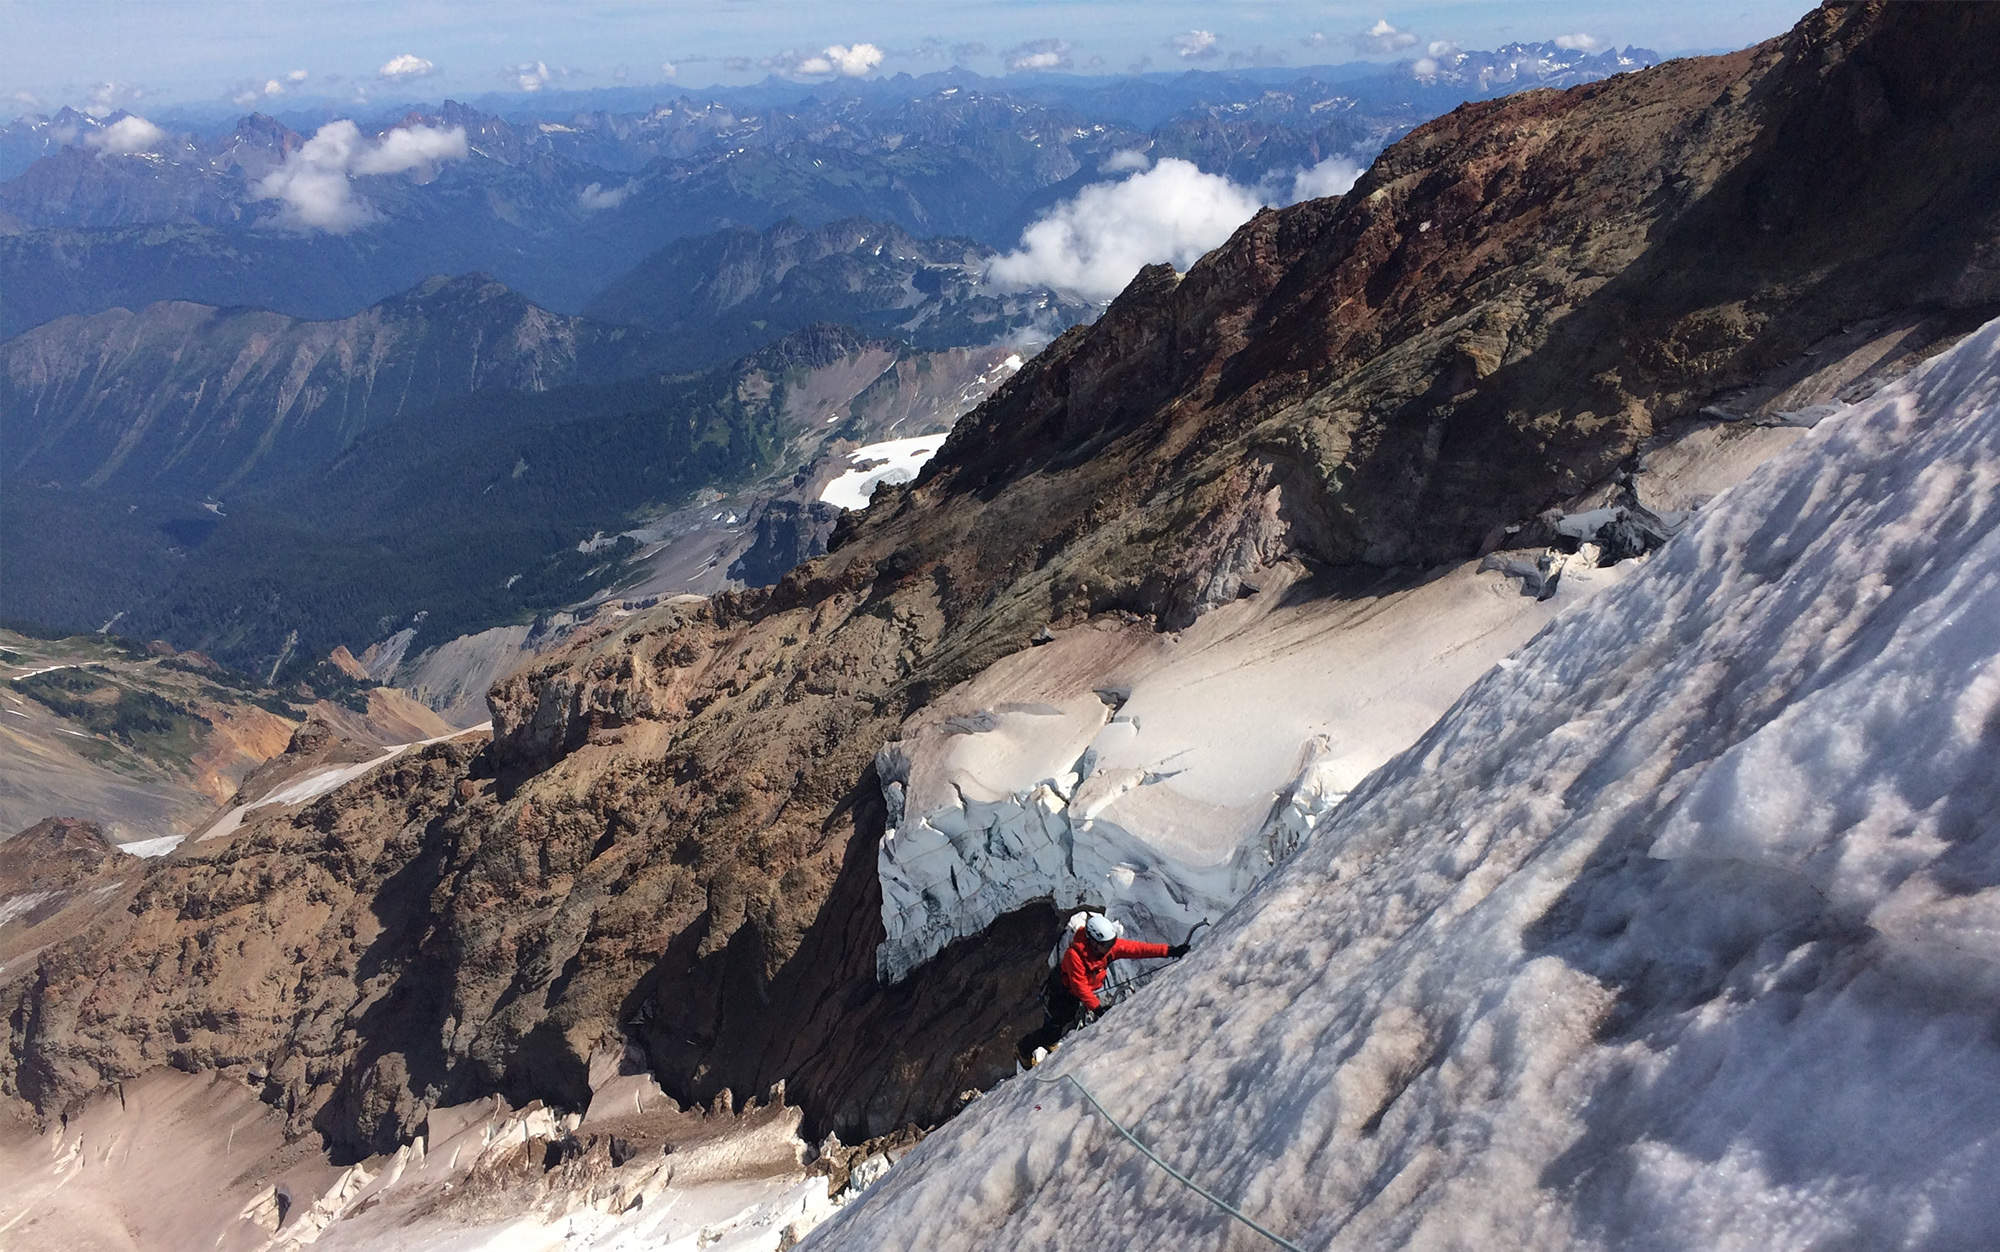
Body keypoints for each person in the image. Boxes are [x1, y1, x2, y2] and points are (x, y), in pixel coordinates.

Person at [1016, 912, 1189, 1066]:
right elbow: (1080, 986)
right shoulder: (1074, 956)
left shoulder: (1106, 948)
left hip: (1071, 995)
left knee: (1064, 1020)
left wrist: (1170, 951)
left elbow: (1138, 949)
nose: (1110, 948)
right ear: (1092, 941)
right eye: (1106, 945)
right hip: (1060, 995)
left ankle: (1050, 1039)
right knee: (1053, 1028)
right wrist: (1098, 1009)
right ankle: (1023, 1048)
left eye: (1111, 943)